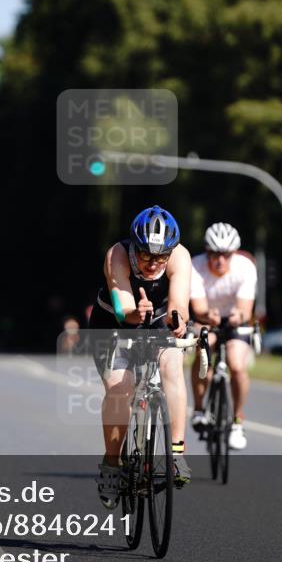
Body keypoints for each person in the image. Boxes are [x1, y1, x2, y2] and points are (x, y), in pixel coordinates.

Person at [88, 205, 192, 509]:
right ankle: (111, 464)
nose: (152, 263)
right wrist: (136, 312)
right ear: (135, 247)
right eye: (145, 255)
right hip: (114, 323)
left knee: (172, 365)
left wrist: (177, 321)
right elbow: (124, 308)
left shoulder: (180, 256)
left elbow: (179, 303)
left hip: (158, 319)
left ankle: (177, 453)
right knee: (121, 388)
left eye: (161, 257)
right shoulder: (117, 255)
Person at [189, 222, 257, 450]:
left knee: (237, 365)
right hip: (207, 318)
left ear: (234, 253)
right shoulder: (195, 266)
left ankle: (237, 421)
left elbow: (245, 310)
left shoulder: (245, 267)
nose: (220, 260)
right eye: (214, 254)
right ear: (206, 252)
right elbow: (198, 309)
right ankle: (199, 409)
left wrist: (239, 316)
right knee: (204, 350)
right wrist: (208, 315)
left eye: (226, 255)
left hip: (235, 321)